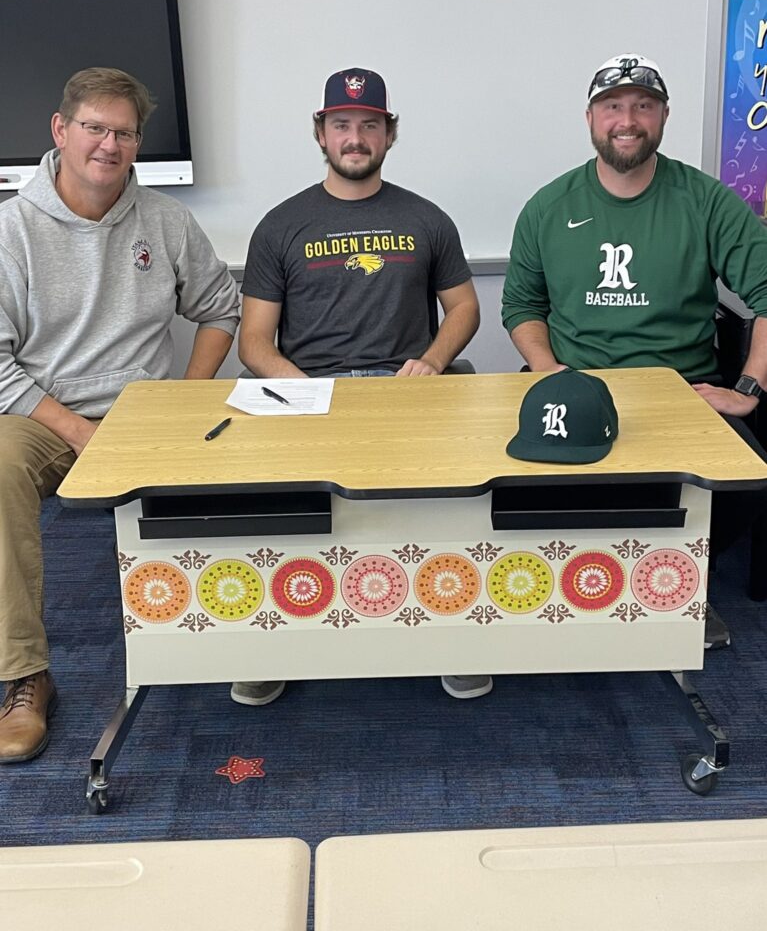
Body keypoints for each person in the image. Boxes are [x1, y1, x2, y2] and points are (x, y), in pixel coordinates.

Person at [0, 68, 240, 763]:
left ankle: (241, 634)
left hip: (146, 413)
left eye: (124, 133)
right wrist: (82, 433)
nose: (109, 144)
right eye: (95, 128)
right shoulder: (11, 231)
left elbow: (220, 309)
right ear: (60, 130)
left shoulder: (165, 222)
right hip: (45, 418)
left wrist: (184, 399)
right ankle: (22, 676)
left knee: (257, 449)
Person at [501, 53, 767, 646]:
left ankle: (675, 585)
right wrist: (548, 372)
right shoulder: (549, 205)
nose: (628, 119)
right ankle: (586, 587)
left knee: (747, 483)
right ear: (591, 118)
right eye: (613, 106)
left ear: (664, 116)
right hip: (573, 383)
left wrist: (749, 387)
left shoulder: (706, 200)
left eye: (643, 105)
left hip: (680, 387)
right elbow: (521, 306)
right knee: (505, 487)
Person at [238, 66, 484, 703]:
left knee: (445, 502)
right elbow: (255, 343)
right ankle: (272, 640)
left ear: (389, 133)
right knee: (277, 510)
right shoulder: (280, 224)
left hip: (402, 393)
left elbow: (464, 310)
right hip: (307, 392)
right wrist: (305, 392)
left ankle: (451, 631)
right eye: (342, 125)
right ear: (320, 133)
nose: (355, 137)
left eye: (369, 125)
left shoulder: (426, 218)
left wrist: (431, 362)